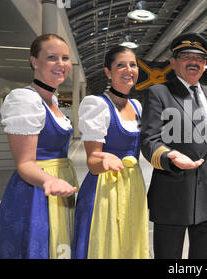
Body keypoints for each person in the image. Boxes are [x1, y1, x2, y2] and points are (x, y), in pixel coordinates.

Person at [141, 32, 207, 259]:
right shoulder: (159, 93)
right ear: (173, 61)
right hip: (172, 195)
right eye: (186, 56)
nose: (194, 62)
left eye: (200, 58)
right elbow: (149, 140)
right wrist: (171, 156)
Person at [0, 34, 78, 259]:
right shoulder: (25, 100)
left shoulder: (53, 101)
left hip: (60, 185)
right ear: (34, 61)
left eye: (65, 58)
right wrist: (49, 180)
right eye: (52, 57)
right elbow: (24, 164)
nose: (61, 64)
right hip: (36, 191)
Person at [72, 45, 148, 259]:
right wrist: (104, 159)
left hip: (133, 184)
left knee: (129, 242)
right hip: (104, 187)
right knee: (105, 245)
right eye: (121, 65)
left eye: (132, 65)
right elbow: (92, 161)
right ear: (108, 72)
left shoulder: (137, 106)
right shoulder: (97, 104)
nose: (129, 70)